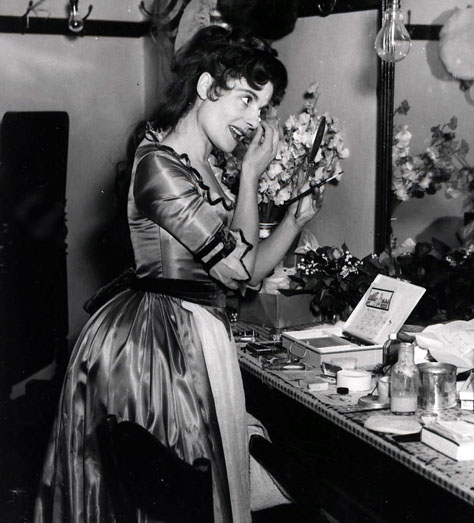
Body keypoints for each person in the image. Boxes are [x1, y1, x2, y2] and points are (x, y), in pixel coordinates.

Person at [34, 25, 322, 522]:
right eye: (247, 99)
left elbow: (250, 272)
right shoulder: (158, 165)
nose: (254, 120)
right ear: (207, 86)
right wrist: (250, 177)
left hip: (196, 332)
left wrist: (295, 221)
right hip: (152, 347)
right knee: (165, 496)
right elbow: (236, 271)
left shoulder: (205, 166)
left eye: (262, 108)